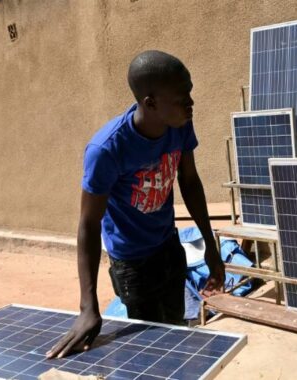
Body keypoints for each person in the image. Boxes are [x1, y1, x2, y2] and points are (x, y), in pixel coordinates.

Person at [46, 50, 225, 359]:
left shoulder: (180, 125)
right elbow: (88, 225)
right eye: (182, 97)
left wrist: (211, 245)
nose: (191, 103)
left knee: (176, 334)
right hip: (133, 264)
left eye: (190, 93)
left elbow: (190, 181)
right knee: (150, 355)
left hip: (169, 247)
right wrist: (87, 307)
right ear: (150, 103)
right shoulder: (107, 150)